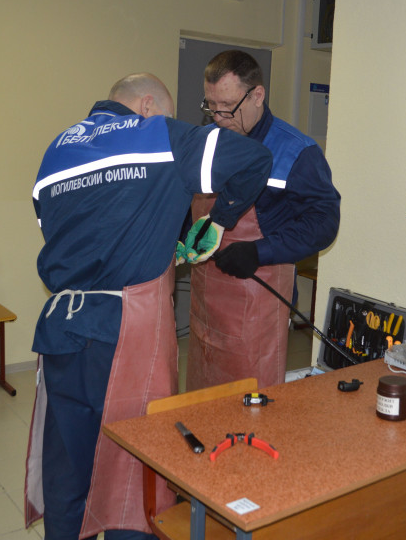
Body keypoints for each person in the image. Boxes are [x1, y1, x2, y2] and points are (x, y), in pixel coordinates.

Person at [24, 73, 273, 540]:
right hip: (125, 332)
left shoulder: (56, 149)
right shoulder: (160, 134)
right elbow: (254, 160)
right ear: (147, 106)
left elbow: (69, 232)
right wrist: (218, 222)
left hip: (61, 329)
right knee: (134, 469)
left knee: (68, 463)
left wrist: (151, 236)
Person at [183, 50, 340, 392]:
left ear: (257, 95)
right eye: (211, 106)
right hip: (206, 300)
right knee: (201, 399)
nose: (219, 118)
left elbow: (324, 222)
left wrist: (259, 251)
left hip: (256, 299)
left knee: (249, 400)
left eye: (228, 106)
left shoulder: (296, 152)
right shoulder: (206, 143)